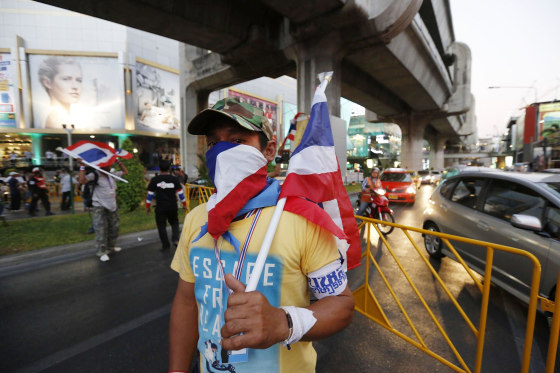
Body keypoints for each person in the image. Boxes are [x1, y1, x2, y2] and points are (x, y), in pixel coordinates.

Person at [168, 98, 354, 372]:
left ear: (268, 150)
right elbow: (186, 303)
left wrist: (284, 323)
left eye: (237, 140)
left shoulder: (302, 219)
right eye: (213, 143)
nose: (221, 151)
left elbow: (341, 305)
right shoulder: (198, 219)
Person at [78, 158, 128, 262]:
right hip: (99, 206)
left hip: (112, 206)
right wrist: (82, 165)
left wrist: (118, 161)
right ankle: (101, 251)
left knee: (114, 228)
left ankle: (111, 247)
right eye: (108, 165)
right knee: (101, 229)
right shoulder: (95, 175)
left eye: (111, 164)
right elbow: (82, 180)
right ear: (102, 165)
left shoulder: (111, 174)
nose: (110, 166)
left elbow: (125, 172)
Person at [146, 160, 187, 251]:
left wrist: (147, 206)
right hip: (172, 205)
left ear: (160, 169)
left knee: (161, 226)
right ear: (169, 168)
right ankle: (175, 239)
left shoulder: (154, 180)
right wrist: (184, 204)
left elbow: (150, 195)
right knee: (174, 222)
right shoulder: (174, 179)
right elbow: (180, 194)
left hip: (160, 206)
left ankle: (165, 245)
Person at [37, 56, 83, 129]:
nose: (75, 86)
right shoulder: (54, 117)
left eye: (79, 80)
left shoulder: (65, 116)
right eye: (66, 79)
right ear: (48, 83)